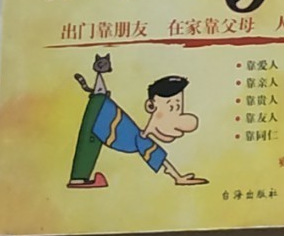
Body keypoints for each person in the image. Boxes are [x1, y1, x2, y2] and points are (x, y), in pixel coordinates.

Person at [68, 70, 207, 188]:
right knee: (88, 143)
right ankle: (79, 178)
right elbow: (158, 157)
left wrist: (178, 177)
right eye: (171, 107)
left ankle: (79, 178)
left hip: (100, 109)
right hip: (99, 108)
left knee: (89, 142)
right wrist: (178, 177)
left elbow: (158, 156)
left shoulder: (139, 137)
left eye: (178, 107)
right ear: (150, 106)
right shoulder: (138, 138)